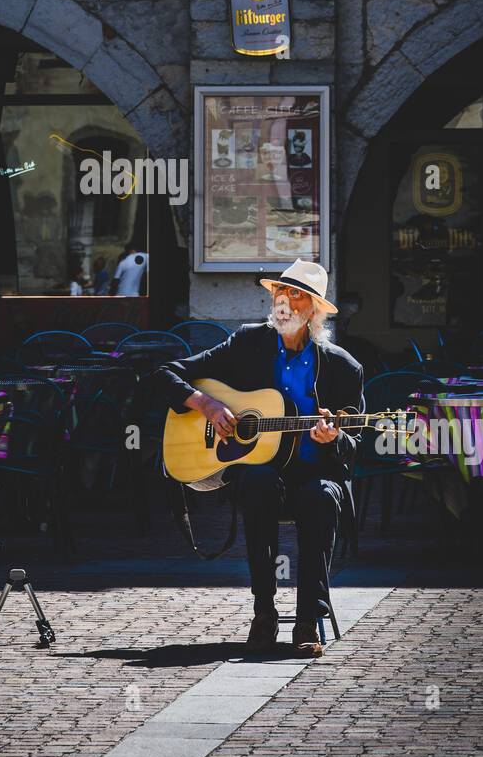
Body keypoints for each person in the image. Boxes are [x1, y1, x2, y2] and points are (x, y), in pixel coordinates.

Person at [153, 259, 364, 656]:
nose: (285, 302)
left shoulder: (342, 367)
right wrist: (206, 404)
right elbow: (166, 372)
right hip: (263, 470)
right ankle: (264, 612)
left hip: (315, 471)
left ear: (314, 311)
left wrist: (333, 437)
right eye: (280, 293)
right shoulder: (248, 343)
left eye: (297, 296)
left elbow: (353, 448)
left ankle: (308, 619)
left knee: (320, 496)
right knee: (257, 481)